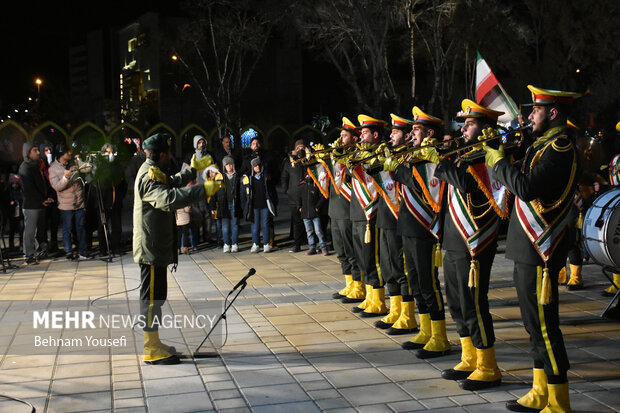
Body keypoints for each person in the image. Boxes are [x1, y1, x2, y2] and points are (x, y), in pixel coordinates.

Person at [485, 85, 582, 412]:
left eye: (535, 111)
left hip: (540, 248)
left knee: (544, 325)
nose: (528, 117)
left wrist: (497, 162)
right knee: (532, 324)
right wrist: (504, 147)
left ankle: (559, 399)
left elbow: (526, 188)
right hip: (526, 246)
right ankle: (540, 390)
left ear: (552, 113)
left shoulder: (560, 146)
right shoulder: (541, 144)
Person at [425, 100, 505, 388]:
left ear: (485, 127)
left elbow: (466, 184)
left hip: (475, 240)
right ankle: (469, 355)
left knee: (474, 302)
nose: (463, 128)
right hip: (454, 238)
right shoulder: (466, 152)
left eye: (469, 124)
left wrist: (443, 160)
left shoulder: (487, 155)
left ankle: (488, 364)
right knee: (456, 301)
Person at [133, 132, 216, 365]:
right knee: (150, 300)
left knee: (157, 297)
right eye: (168, 153)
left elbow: (172, 181)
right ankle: (150, 348)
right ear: (161, 155)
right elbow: (168, 198)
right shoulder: (149, 176)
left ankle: (155, 342)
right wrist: (204, 189)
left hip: (156, 246)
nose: (170, 156)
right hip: (150, 249)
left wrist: (193, 170)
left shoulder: (155, 170)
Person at [388, 107, 449, 354]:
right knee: (415, 281)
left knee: (428, 282)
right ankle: (425, 329)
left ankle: (439, 336)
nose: (411, 134)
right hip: (408, 225)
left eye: (416, 129)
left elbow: (412, 179)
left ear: (429, 132)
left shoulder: (431, 157)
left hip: (424, 227)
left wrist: (397, 166)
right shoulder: (414, 155)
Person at [373, 113, 417, 331]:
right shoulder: (389, 153)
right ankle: (395, 310)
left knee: (401, 268)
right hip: (384, 215)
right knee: (388, 266)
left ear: (407, 135)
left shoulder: (410, 156)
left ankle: (407, 315)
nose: (391, 135)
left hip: (400, 217)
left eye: (395, 132)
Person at [348, 115, 388, 317]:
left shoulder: (380, 154)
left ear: (375, 135)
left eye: (364, 133)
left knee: (373, 258)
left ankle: (378, 300)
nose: (361, 137)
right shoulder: (360, 152)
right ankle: (370, 297)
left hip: (372, 211)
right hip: (357, 210)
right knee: (363, 258)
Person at [330, 118, 363, 302]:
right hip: (335, 209)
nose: (340, 139)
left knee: (351, 251)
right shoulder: (338, 153)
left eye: (344, 135)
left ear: (355, 138)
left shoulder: (356, 155)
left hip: (347, 208)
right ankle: (349, 283)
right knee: (340, 250)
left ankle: (358, 285)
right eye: (340, 135)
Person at [48, 143, 91, 260]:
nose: (70, 153)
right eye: (67, 152)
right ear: (62, 154)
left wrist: (88, 162)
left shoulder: (74, 163)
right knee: (67, 229)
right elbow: (57, 186)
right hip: (65, 205)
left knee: (81, 227)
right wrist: (66, 178)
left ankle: (83, 251)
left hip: (79, 202)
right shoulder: (53, 168)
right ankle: (69, 251)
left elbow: (86, 167)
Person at [19, 142, 54, 264]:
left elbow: (42, 184)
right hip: (31, 206)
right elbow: (30, 188)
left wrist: (47, 197)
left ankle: (39, 252)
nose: (38, 152)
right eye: (35, 150)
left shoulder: (36, 165)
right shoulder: (25, 167)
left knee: (40, 231)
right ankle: (28, 255)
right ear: (28, 153)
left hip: (40, 204)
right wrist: (42, 199)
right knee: (30, 232)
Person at [241, 157, 277, 253]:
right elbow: (243, 193)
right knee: (255, 225)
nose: (257, 167)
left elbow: (272, 191)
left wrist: (274, 202)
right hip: (253, 206)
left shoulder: (266, 176)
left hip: (265, 205)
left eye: (258, 165)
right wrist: (245, 206)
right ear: (252, 167)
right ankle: (255, 244)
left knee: (265, 225)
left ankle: (266, 244)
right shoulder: (248, 178)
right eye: (255, 166)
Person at [280, 139, 308, 252]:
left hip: (308, 195)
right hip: (294, 196)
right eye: (298, 148)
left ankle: (312, 243)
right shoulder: (289, 162)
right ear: (294, 150)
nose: (300, 150)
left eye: (302, 148)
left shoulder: (309, 160)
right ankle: (297, 244)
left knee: (310, 221)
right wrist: (286, 190)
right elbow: (284, 177)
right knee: (297, 221)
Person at [298, 169, 328, 255]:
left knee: (318, 230)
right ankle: (312, 247)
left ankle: (323, 246)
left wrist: (317, 207)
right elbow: (298, 198)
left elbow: (323, 197)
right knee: (309, 231)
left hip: (315, 213)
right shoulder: (302, 186)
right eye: (308, 175)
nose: (309, 176)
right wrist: (299, 207)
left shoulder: (316, 185)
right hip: (305, 213)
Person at [215, 156, 242, 253]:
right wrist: (213, 206)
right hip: (224, 204)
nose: (229, 166)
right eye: (226, 164)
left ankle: (234, 243)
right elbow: (215, 192)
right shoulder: (220, 177)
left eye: (230, 164)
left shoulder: (237, 176)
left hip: (235, 204)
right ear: (224, 166)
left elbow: (241, 191)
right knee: (225, 225)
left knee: (235, 224)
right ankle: (226, 244)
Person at [8, 174, 24, 252]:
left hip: (20, 213)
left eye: (16, 183)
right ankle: (11, 245)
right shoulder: (9, 191)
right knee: (12, 230)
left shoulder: (21, 190)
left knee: (21, 229)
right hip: (13, 213)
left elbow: (23, 199)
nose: (14, 184)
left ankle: (21, 244)